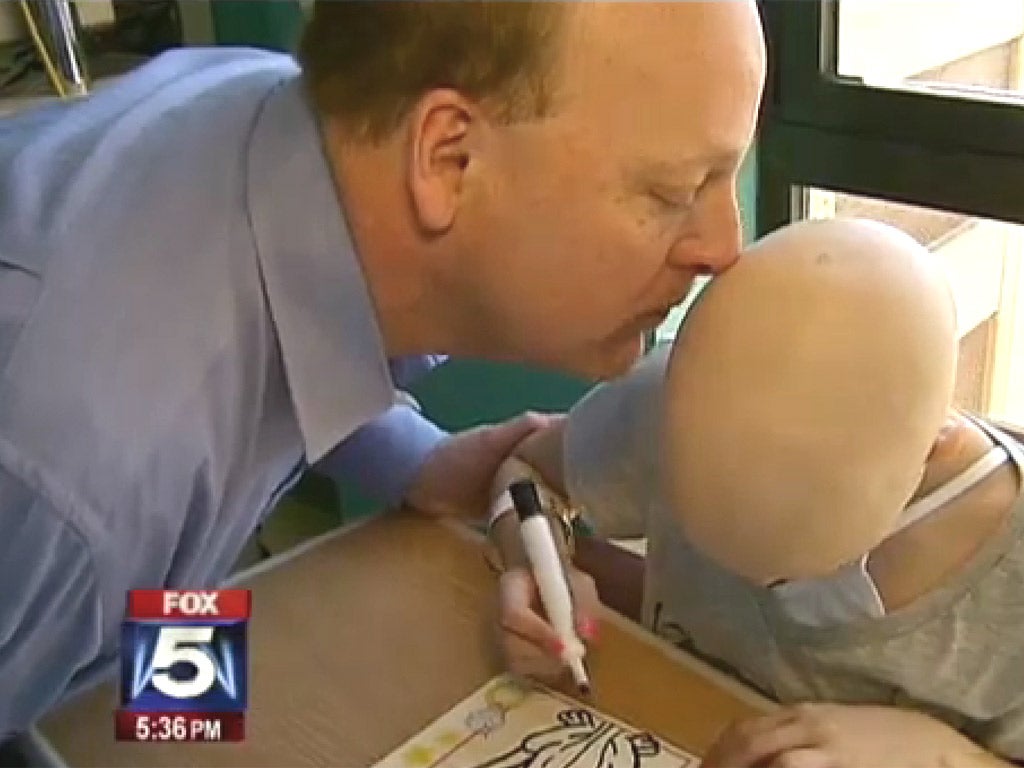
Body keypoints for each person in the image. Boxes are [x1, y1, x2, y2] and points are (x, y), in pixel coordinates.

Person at [0, 1, 766, 737]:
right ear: (449, 158)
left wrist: (421, 463)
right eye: (674, 190)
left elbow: (280, 353)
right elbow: (82, 660)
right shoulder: (77, 477)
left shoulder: (284, 131)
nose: (725, 247)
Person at [489, 218, 1024, 767]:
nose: (762, 587)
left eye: (794, 565)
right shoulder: (668, 404)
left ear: (936, 443)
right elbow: (528, 474)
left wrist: (948, 757)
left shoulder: (1008, 593)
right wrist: (535, 564)